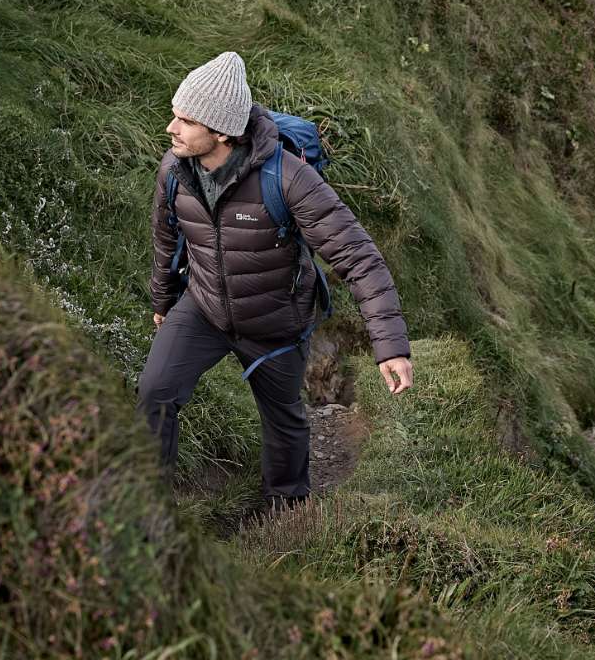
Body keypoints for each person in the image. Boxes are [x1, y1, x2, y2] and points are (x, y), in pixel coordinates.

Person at [141, 51, 415, 511]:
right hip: (204, 307)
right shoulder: (174, 169)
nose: (172, 128)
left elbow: (358, 256)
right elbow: (166, 238)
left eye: (185, 120)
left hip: (274, 319)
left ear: (221, 132)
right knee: (155, 391)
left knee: (284, 420)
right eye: (175, 115)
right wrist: (164, 299)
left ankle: (286, 512)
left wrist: (391, 346)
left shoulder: (288, 178)